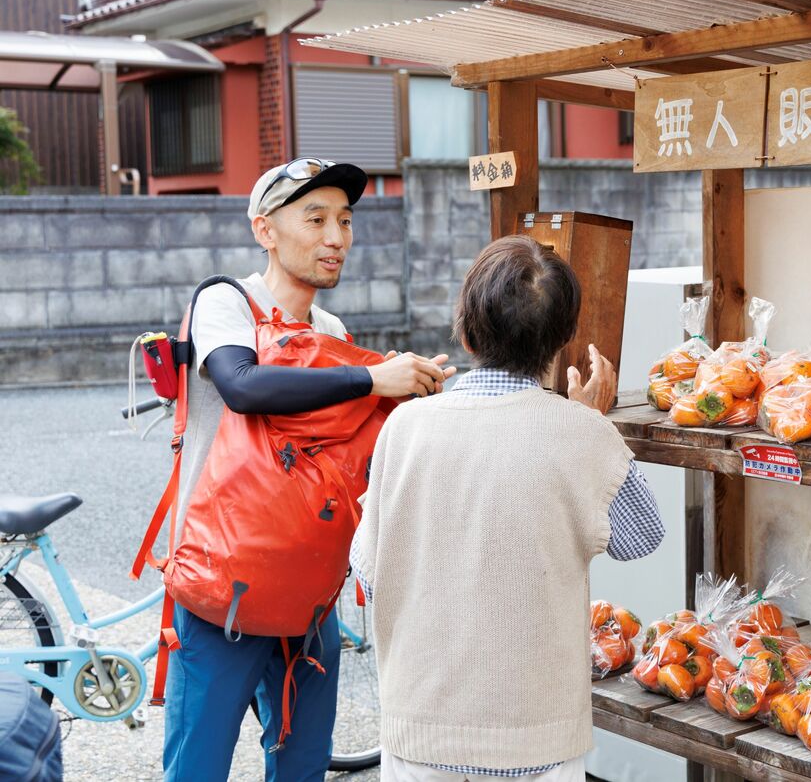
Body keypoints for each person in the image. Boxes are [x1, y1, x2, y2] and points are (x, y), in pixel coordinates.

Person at [163, 158, 455, 782]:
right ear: (264, 229)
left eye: (345, 221)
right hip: (226, 585)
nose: (336, 238)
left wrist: (410, 397)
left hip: (310, 587)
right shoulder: (227, 302)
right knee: (199, 766)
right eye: (316, 218)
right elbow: (243, 386)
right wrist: (372, 377)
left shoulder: (331, 330)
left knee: (302, 764)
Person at [351, 235, 665, 780]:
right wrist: (592, 423)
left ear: (467, 332)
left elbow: (372, 574)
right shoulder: (580, 433)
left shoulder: (404, 426)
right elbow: (642, 538)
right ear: (563, 339)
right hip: (536, 734)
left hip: (420, 724)